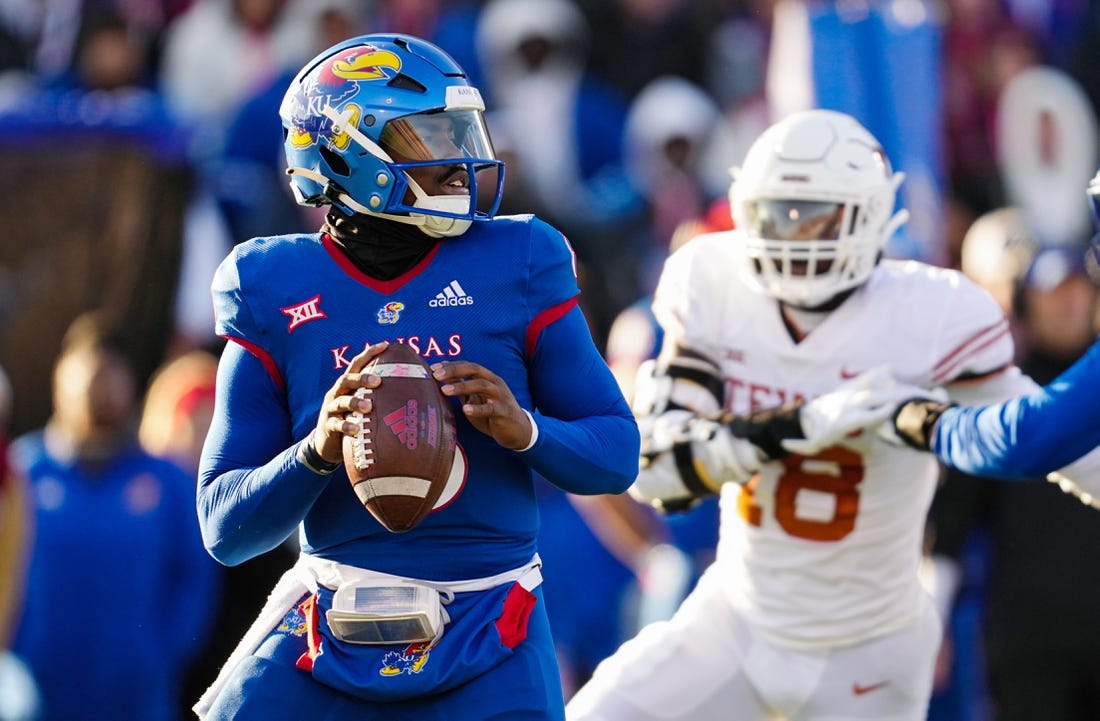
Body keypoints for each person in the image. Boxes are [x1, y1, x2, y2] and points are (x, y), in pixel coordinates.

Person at [563, 109, 1100, 721]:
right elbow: (655, 473)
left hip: (869, 650)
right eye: (778, 214)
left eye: (814, 215)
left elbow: (1034, 436)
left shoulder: (930, 311)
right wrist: (794, 428)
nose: (794, 237)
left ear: (870, 214)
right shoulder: (714, 279)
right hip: (738, 620)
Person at [191, 33, 640, 721]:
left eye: (463, 129)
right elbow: (225, 525)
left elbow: (617, 453)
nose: (461, 159)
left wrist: (527, 431)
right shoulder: (270, 283)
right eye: (430, 134)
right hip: (334, 616)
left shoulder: (521, 256)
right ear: (347, 151)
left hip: (490, 622)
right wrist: (316, 449)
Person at [9, 311, 221, 721]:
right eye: (87, 375)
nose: (98, 388)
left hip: (138, 702)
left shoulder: (165, 482)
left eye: (110, 374)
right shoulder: (24, 472)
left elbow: (194, 578)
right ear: (60, 380)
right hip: (34, 698)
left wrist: (157, 653)